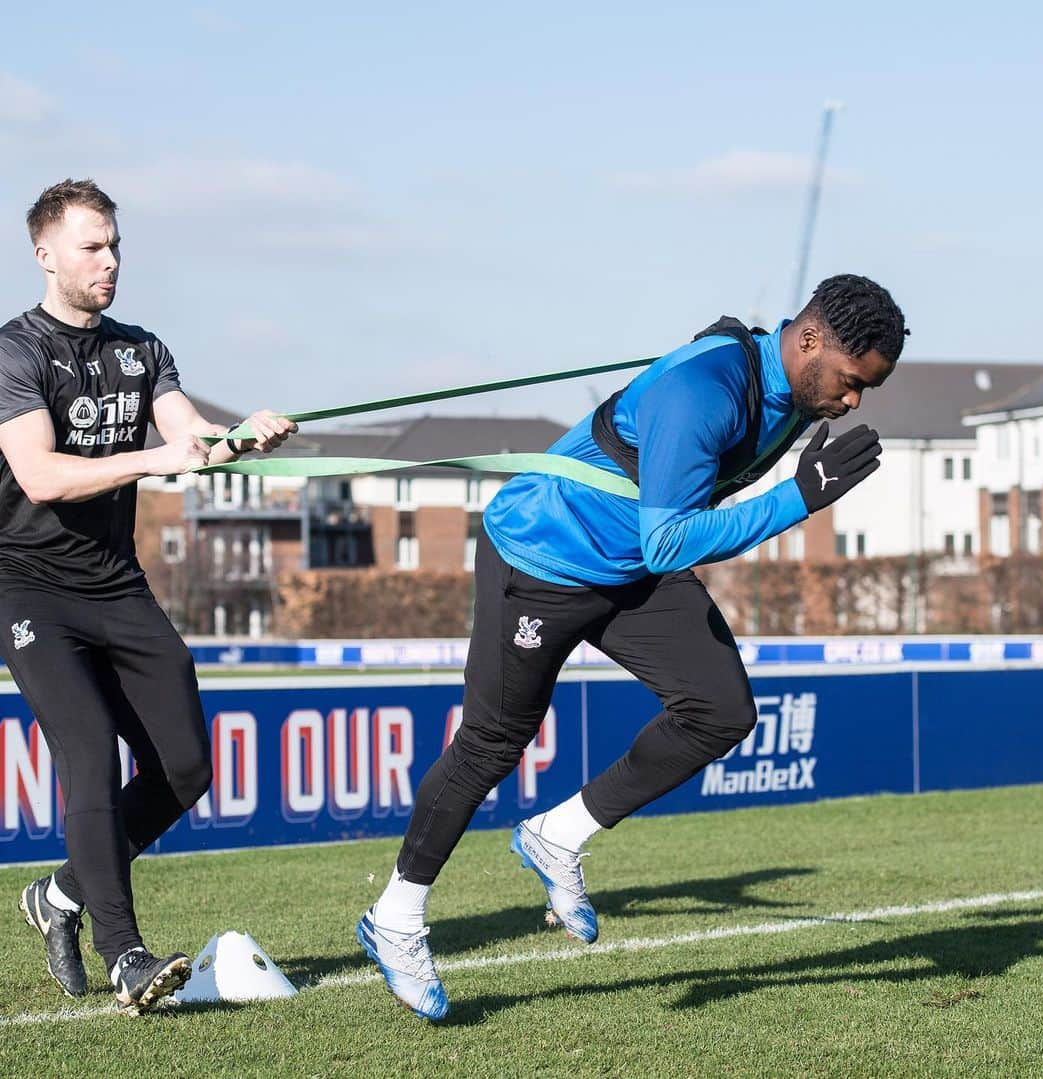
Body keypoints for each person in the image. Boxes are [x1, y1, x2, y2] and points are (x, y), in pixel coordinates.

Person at [359, 274, 907, 1019]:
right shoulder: (707, 393)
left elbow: (670, 519)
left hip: (629, 568)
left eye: (865, 391)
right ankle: (394, 917)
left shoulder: (789, 387)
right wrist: (796, 501)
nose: (852, 403)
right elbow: (673, 535)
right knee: (494, 738)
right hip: (542, 557)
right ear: (808, 339)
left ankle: (557, 835)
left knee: (720, 709)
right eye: (850, 383)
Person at [0, 179, 297, 1015]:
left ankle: (59, 895)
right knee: (88, 750)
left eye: (116, 245)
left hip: (116, 583)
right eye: (93, 246)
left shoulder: (141, 350)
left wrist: (244, 438)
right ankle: (125, 953)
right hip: (28, 586)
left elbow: (190, 435)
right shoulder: (13, 353)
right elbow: (42, 474)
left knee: (188, 767)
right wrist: (157, 458)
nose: (110, 261)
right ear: (45, 253)